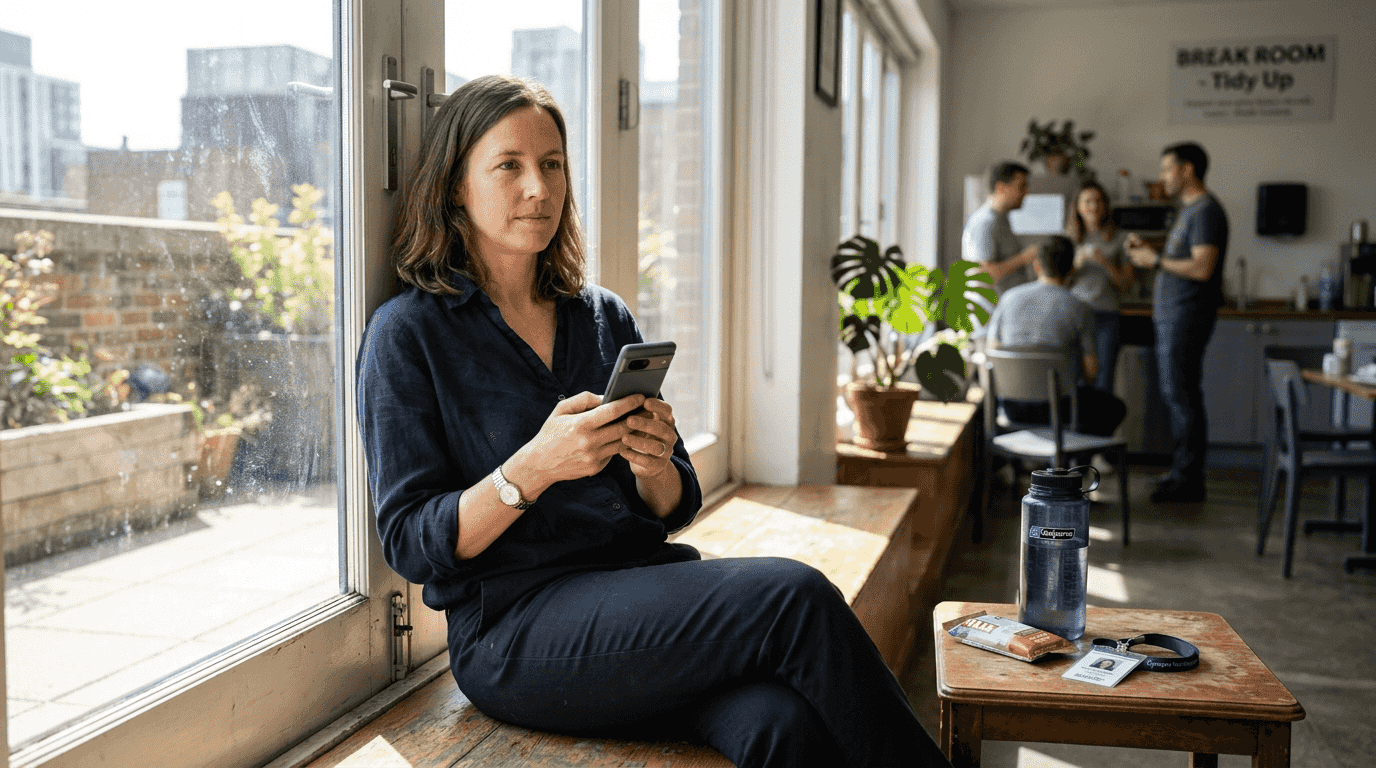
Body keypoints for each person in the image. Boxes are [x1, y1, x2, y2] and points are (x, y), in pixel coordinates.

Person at [355, 75, 949, 768]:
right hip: (514, 629)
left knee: (779, 726)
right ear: (456, 185)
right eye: (509, 166)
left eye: (552, 164)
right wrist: (531, 470)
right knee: (795, 595)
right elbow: (408, 541)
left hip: (639, 598)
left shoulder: (601, 315)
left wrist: (653, 462)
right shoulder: (409, 335)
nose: (539, 188)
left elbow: (675, 505)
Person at [1126, 142, 1228, 504]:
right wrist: (1150, 250)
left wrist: (1155, 261)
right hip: (1174, 317)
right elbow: (1184, 258)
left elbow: (1202, 267)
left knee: (1182, 396)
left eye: (1167, 169)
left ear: (1187, 170)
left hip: (1186, 316)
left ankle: (1188, 480)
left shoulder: (1205, 212)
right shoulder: (1188, 212)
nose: (1162, 177)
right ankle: (1181, 472)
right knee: (1177, 394)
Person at [983, 235, 1127, 438]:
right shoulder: (1080, 308)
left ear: (1036, 266)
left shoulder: (1008, 299)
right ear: (1072, 269)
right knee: (1114, 408)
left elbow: (993, 351)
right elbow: (1091, 372)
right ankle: (1075, 461)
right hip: (1060, 409)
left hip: (1012, 406)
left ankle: (1023, 462)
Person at [1065, 181, 1134, 393]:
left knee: (1103, 382)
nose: (1093, 206)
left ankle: (1099, 425)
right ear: (1077, 207)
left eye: (1098, 201)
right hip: (1074, 316)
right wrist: (1074, 266)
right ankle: (1076, 426)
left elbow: (1126, 284)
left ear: (1105, 206)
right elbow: (1057, 283)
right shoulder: (1067, 240)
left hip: (1106, 317)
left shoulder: (1121, 238)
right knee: (1074, 379)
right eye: (1087, 201)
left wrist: (1105, 262)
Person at [964, 161, 1041, 296]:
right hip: (995, 312)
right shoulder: (985, 223)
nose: (1026, 192)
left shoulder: (1001, 220)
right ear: (1001, 188)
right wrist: (1024, 257)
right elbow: (983, 275)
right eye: (1021, 186)